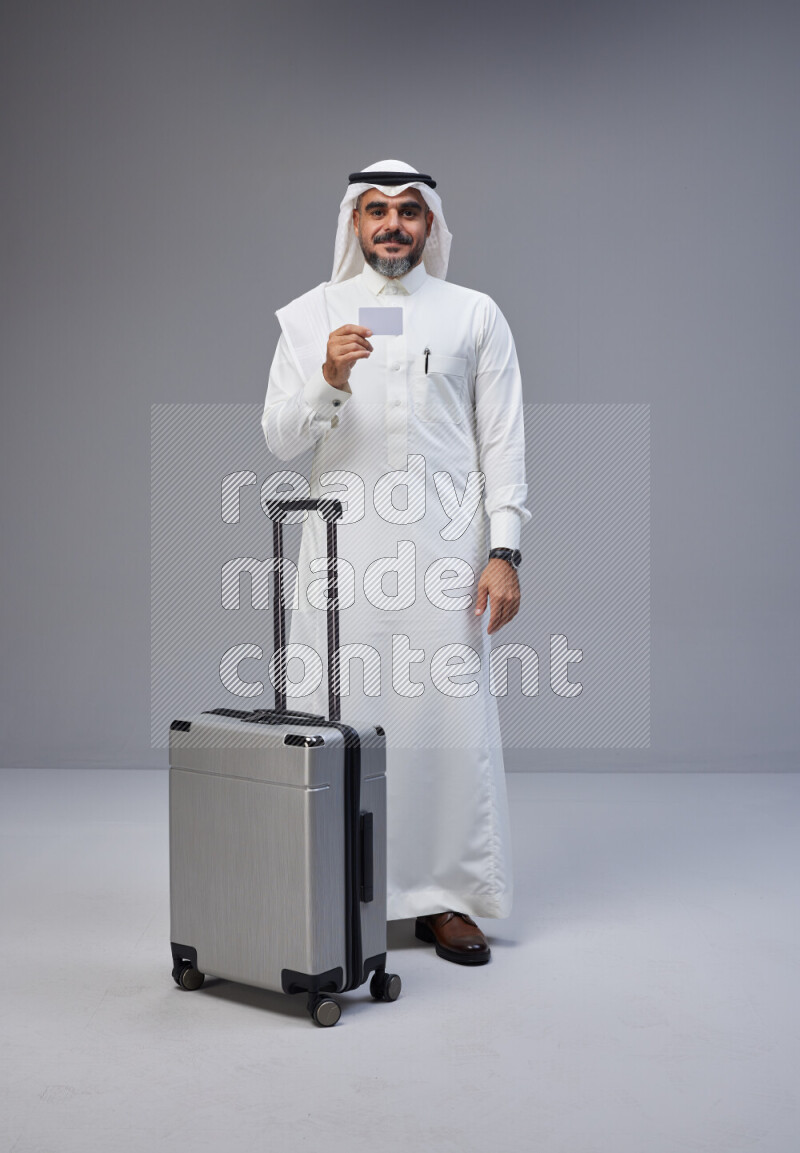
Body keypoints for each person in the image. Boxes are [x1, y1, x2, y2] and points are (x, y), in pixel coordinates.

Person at [261, 159, 530, 964]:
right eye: (375, 210)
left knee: (446, 724)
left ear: (430, 224)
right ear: (353, 222)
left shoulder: (474, 314)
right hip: (343, 552)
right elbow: (279, 438)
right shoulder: (311, 317)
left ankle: (446, 899)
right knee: (335, 712)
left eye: (408, 211)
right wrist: (330, 377)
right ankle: (335, 889)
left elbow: (503, 441)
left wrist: (505, 549)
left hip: (447, 555)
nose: (391, 225)